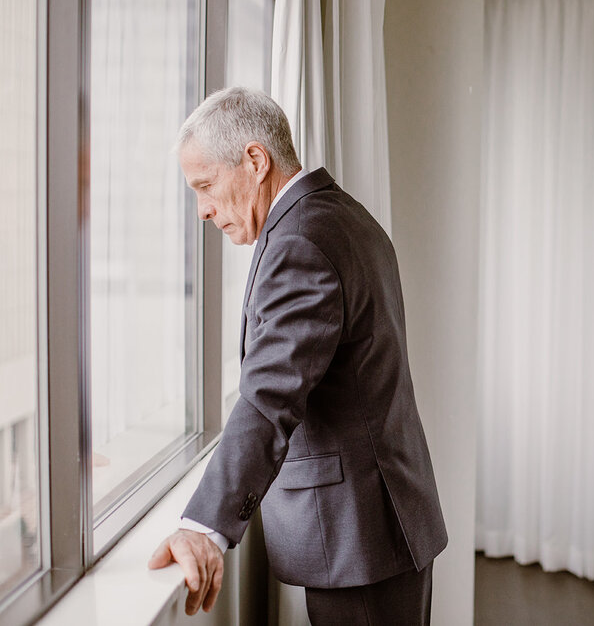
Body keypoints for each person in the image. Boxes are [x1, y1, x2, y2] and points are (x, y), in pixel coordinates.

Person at [148, 87, 447, 625]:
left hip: (362, 542)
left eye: (206, 186)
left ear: (255, 160)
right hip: (382, 521)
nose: (203, 210)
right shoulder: (340, 215)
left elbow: (268, 395)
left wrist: (205, 526)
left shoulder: (300, 241)